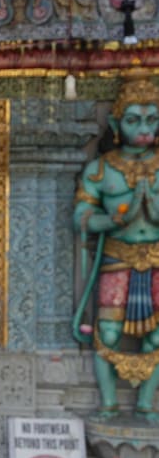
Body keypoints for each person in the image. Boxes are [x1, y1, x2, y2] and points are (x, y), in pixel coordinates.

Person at [73, 70, 159, 422]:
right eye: (134, 119)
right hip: (115, 258)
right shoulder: (100, 169)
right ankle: (108, 403)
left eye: (152, 120)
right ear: (114, 121)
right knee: (107, 332)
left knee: (156, 337)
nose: (144, 128)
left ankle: (146, 404)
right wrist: (112, 221)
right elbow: (81, 216)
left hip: (155, 258)